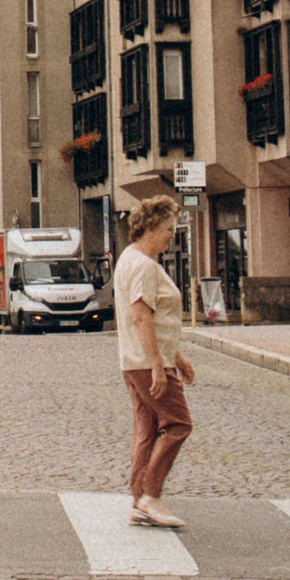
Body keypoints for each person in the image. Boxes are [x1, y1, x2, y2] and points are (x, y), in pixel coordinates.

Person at [116, 196, 196, 529]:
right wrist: (158, 364)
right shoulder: (145, 266)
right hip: (146, 361)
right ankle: (150, 495)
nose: (170, 236)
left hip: (133, 360)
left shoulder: (129, 258)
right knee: (178, 424)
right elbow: (141, 316)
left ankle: (139, 500)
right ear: (150, 228)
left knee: (147, 429)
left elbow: (153, 318)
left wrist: (175, 355)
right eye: (167, 229)